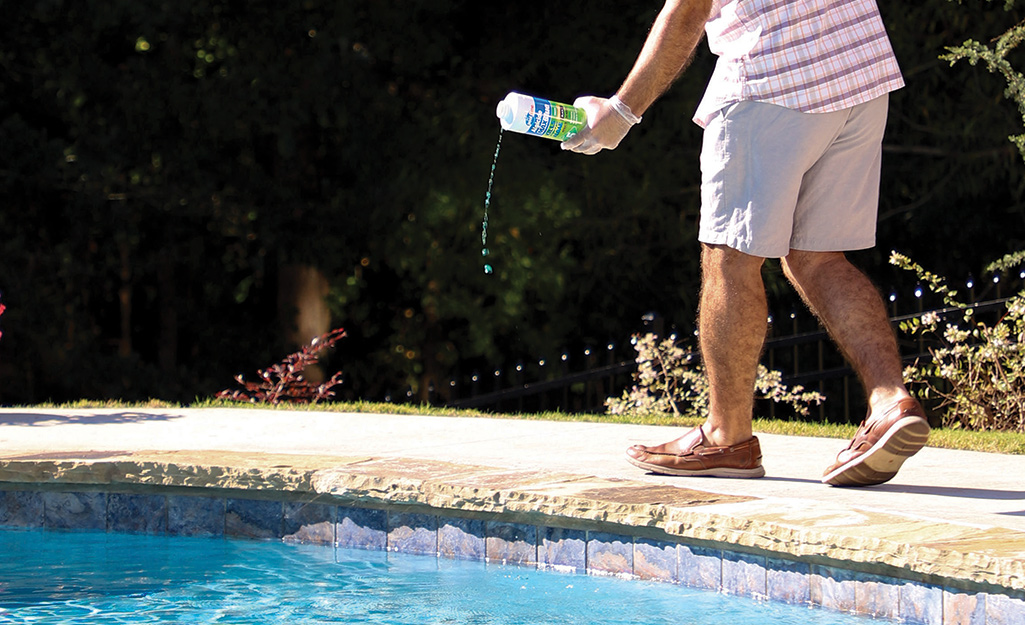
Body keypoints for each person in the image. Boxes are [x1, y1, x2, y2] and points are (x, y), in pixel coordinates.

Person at [561, 0, 930, 487]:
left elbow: (689, 9)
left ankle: (725, 438)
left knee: (730, 261)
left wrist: (620, 112)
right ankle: (889, 401)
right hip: (858, 72)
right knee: (817, 259)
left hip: (771, 80)